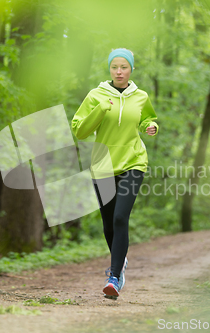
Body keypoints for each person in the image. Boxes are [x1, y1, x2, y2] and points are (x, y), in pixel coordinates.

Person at [71, 48, 159, 298]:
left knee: (121, 218)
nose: (119, 72)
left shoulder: (140, 96)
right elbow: (80, 131)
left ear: (131, 69)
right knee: (108, 223)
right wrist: (99, 110)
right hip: (103, 165)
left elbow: (146, 118)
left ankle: (114, 276)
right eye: (114, 67)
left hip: (133, 161)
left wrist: (150, 126)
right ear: (109, 69)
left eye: (124, 67)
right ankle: (120, 261)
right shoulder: (95, 95)